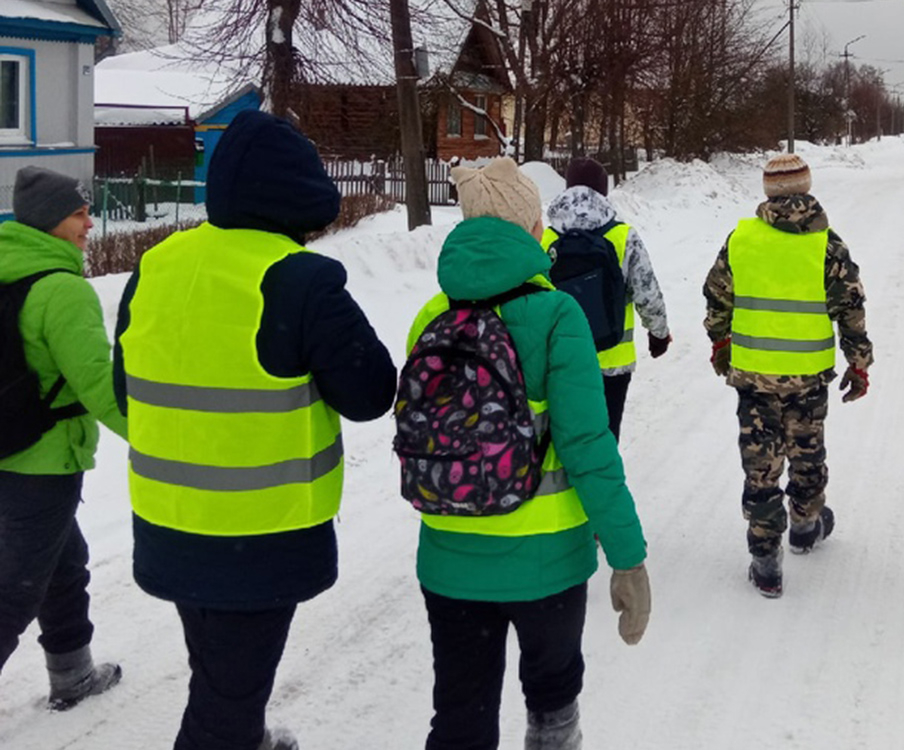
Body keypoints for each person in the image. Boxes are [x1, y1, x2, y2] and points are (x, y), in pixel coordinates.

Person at [113, 110, 397, 750]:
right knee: (225, 703)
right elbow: (370, 394)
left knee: (220, 676)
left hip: (168, 519)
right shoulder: (298, 279)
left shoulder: (156, 265)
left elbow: (124, 392)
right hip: (260, 535)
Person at [406, 157, 650, 750]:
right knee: (551, 703)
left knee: (460, 710)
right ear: (531, 229)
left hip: (450, 557)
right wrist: (628, 556)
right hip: (548, 565)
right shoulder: (556, 315)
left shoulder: (431, 317)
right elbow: (588, 446)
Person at [703, 153, 872, 598]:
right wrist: (859, 363)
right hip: (807, 376)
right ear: (807, 188)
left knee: (761, 464)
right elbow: (850, 308)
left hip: (754, 376)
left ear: (768, 192)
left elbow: (717, 296)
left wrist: (720, 343)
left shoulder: (741, 240)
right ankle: (805, 523)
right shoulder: (827, 244)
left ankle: (765, 563)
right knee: (807, 449)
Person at [0, 166, 125, 709]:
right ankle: (72, 676)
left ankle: (72, 676)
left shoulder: (8, 270)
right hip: (42, 462)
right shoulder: (61, 289)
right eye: (78, 213)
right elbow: (99, 386)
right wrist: (168, 439)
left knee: (64, 565)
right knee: (14, 592)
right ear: (51, 221)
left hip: (5, 451)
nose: (89, 224)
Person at [541, 157, 671, 442]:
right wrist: (658, 333)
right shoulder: (623, 235)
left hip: (562, 361)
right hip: (613, 362)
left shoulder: (546, 239)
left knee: (561, 440)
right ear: (604, 191)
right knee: (605, 440)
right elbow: (647, 290)